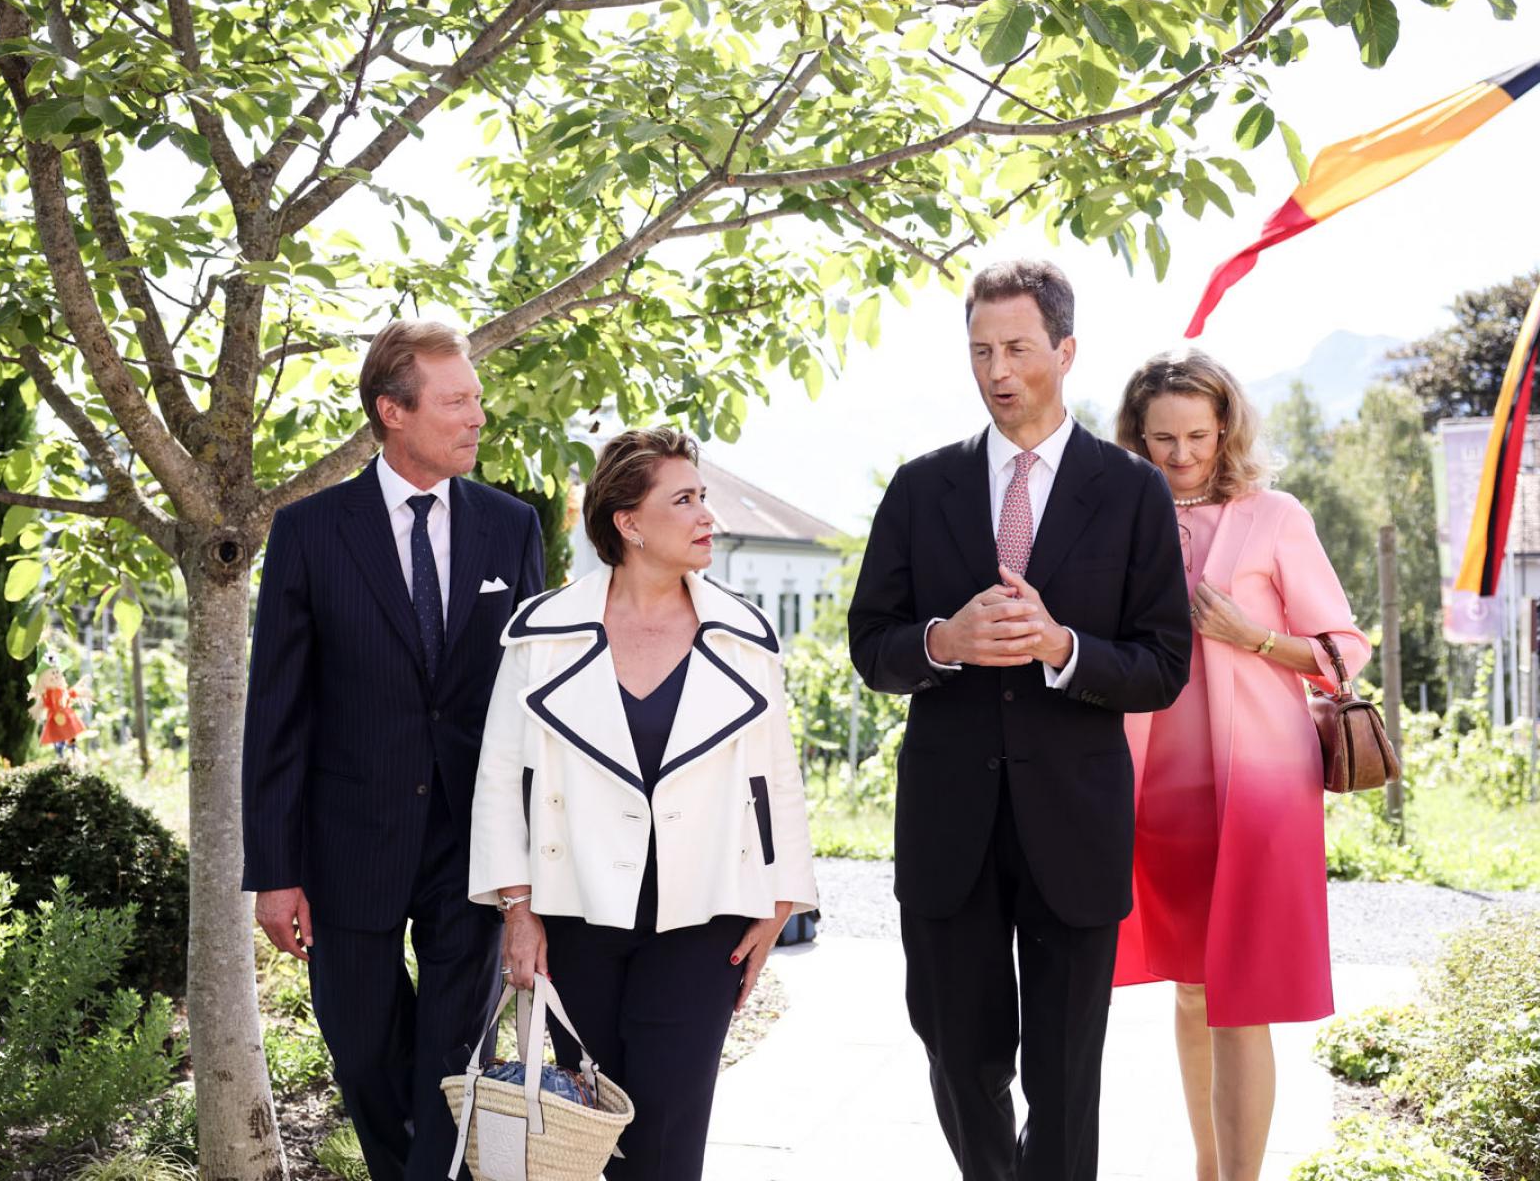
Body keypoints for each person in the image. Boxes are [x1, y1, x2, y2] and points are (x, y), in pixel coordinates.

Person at [847, 259, 1192, 1181]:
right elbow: (870, 643)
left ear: (1066, 351)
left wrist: (1062, 648)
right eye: (980, 351)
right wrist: (946, 642)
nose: (998, 370)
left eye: (1018, 349)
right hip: (948, 826)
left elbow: (1164, 665)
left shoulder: (1131, 492)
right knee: (959, 1059)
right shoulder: (921, 489)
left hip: (1075, 830)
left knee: (1066, 1081)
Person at [241, 320, 545, 1181]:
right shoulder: (309, 532)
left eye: (476, 398)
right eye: (457, 402)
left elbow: (530, 700)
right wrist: (275, 867)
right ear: (393, 412)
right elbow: (276, 711)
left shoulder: (510, 527)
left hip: (472, 844)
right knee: (364, 1052)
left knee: (452, 1060)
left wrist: (531, 859)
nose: (477, 417)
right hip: (347, 846)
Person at [470, 427, 817, 1181]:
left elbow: (775, 777)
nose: (708, 517)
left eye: (704, 497)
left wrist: (783, 900)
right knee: (588, 1129)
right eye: (685, 499)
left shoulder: (742, 636)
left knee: (668, 1133)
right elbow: (500, 779)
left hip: (704, 919)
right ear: (627, 523)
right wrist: (517, 909)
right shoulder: (542, 633)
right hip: (578, 912)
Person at [1111, 348, 1370, 1181]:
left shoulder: (1275, 516)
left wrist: (1252, 637)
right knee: (1188, 988)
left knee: (1241, 998)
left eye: (1197, 435)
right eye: (1162, 440)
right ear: (1136, 438)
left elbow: (1344, 654)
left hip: (1258, 789)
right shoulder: (1123, 519)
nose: (1182, 454)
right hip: (1155, 790)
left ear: (1225, 427)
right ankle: (1206, 1168)